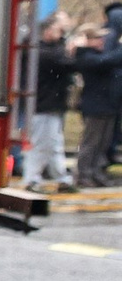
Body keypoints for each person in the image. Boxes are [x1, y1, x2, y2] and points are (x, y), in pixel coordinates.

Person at [29, 11, 75, 189]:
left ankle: (61, 178)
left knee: (54, 143)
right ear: (47, 31)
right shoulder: (44, 52)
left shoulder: (47, 50)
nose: (61, 33)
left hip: (51, 103)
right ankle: (32, 179)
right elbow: (66, 63)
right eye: (57, 29)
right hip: (45, 103)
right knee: (41, 143)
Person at [77, 24, 122, 188]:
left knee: (102, 143)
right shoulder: (86, 56)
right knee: (91, 143)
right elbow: (107, 61)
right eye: (98, 38)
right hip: (96, 106)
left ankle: (95, 171)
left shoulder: (99, 55)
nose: (102, 41)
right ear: (89, 40)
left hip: (107, 105)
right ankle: (84, 174)